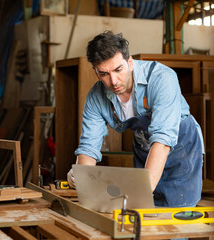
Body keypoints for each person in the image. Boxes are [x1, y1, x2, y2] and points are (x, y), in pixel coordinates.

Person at [67, 31, 203, 208]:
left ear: (129, 62)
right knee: (138, 218)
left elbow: (162, 141)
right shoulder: (96, 96)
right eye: (104, 74)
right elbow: (88, 148)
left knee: (172, 224)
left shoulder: (162, 79)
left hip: (180, 152)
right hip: (144, 151)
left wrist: (140, 194)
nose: (113, 81)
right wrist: (82, 179)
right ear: (95, 71)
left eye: (118, 70)